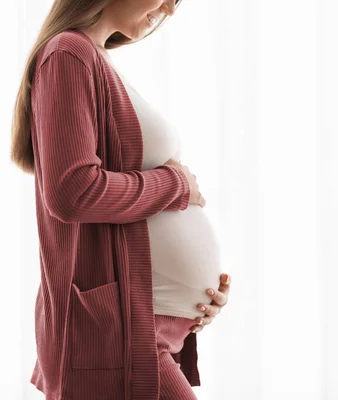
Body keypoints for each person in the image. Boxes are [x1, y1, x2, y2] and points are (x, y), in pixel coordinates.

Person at [9, 1, 231, 399]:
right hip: (112, 334)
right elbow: (73, 192)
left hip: (143, 325)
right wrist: (176, 184)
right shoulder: (67, 54)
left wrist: (188, 304)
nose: (169, 10)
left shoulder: (94, 58)